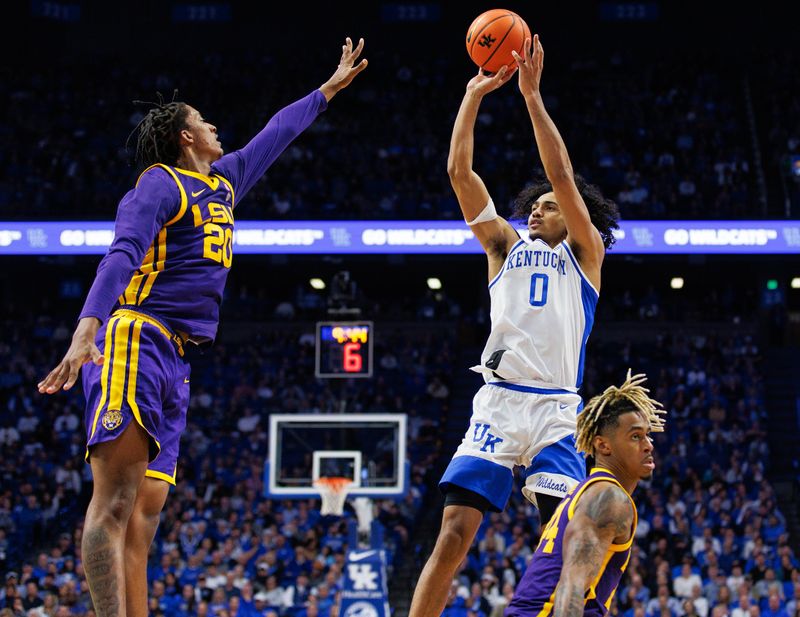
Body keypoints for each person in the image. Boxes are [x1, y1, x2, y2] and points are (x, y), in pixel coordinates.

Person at [36, 38, 368, 617]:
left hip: (178, 358)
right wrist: (85, 328)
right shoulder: (160, 183)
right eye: (205, 122)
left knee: (146, 514)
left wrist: (329, 88)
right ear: (186, 136)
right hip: (134, 337)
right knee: (113, 505)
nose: (216, 127)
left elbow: (276, 132)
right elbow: (121, 253)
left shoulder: (225, 182)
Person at [409, 34, 620, 617]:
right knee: (453, 534)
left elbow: (562, 173)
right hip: (498, 404)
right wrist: (474, 94)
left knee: (570, 538)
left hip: (555, 410)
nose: (538, 209)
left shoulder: (585, 252)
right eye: (536, 202)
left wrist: (531, 96)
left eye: (548, 205)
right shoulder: (503, 244)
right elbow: (459, 171)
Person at [506, 371, 667, 617]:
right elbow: (570, 588)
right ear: (603, 445)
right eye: (635, 436)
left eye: (648, 435)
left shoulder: (588, 492)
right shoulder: (608, 498)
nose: (648, 444)